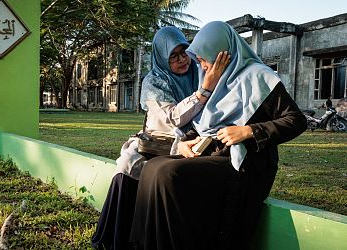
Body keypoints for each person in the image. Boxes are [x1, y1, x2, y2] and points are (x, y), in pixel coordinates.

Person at [129, 21, 307, 250]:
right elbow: (203, 122)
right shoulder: (216, 82)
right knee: (152, 167)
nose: (201, 66)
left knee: (168, 173)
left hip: (244, 161)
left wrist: (248, 131)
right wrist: (184, 143)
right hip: (212, 153)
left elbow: (296, 120)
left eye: (203, 59)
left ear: (222, 54)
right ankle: (146, 244)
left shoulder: (259, 77)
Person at [91, 26, 229, 250]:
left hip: (194, 139)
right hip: (159, 140)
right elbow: (172, 118)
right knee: (129, 164)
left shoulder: (199, 72)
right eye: (173, 56)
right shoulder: (153, 81)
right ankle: (118, 237)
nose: (182, 60)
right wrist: (203, 90)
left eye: (184, 52)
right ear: (162, 58)